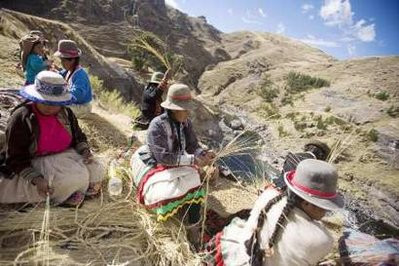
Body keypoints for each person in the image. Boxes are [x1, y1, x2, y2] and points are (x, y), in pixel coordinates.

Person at [205, 159, 344, 266]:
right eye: (325, 206)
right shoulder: (323, 240)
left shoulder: (269, 196)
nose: (326, 211)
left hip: (241, 258)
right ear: (307, 203)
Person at [0, 71, 104, 207]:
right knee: (70, 180)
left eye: (55, 103)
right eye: (45, 102)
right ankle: (62, 196)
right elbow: (15, 157)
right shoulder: (22, 117)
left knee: (97, 168)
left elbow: (78, 136)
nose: (50, 107)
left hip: (65, 157)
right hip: (34, 163)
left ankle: (73, 191)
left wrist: (85, 152)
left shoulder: (66, 113)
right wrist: (36, 179)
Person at [130, 83, 215, 225]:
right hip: (158, 164)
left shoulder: (185, 122)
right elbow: (163, 157)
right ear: (174, 109)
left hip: (180, 162)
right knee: (163, 194)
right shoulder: (156, 126)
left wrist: (204, 153)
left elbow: (192, 144)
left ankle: (193, 224)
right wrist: (194, 160)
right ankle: (172, 220)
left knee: (195, 182)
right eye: (184, 109)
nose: (188, 113)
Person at [54, 40, 93, 118]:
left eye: (63, 60)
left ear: (73, 60)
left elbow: (78, 94)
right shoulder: (68, 71)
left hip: (82, 107)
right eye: (61, 60)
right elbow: (59, 75)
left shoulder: (80, 75)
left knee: (58, 109)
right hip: (74, 103)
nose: (61, 63)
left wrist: (61, 93)